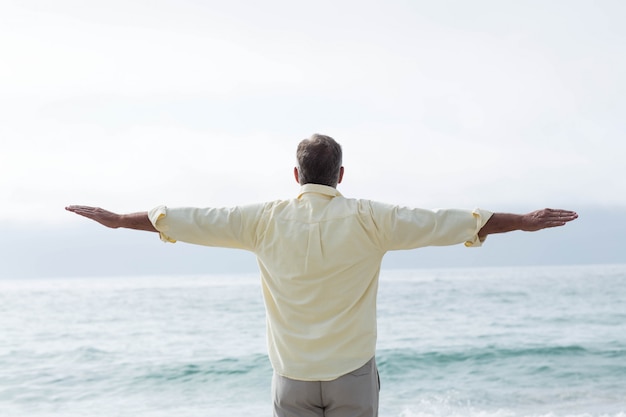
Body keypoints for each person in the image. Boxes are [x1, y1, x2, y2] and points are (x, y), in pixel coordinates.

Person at [66, 134, 578, 417]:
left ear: (296, 175)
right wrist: (523, 223)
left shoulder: (260, 220)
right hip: (352, 376)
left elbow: (184, 218)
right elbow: (452, 222)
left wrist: (119, 220)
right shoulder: (372, 219)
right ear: (339, 175)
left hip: (290, 377)